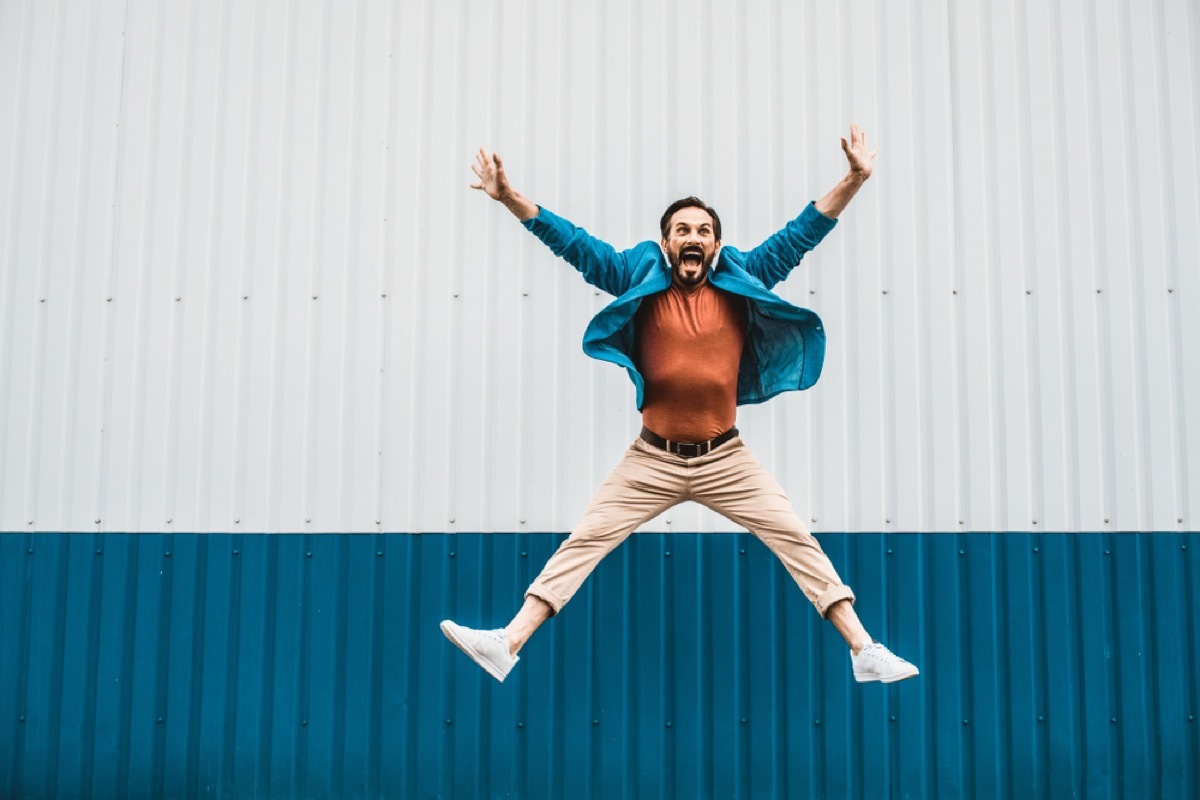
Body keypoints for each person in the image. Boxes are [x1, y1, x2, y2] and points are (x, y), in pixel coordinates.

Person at [441, 124, 918, 685]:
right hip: (651, 461)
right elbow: (574, 245)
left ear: (715, 246)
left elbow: (802, 233)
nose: (693, 237)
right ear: (666, 242)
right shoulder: (636, 275)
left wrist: (855, 179)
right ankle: (507, 642)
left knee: (796, 538)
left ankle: (863, 650)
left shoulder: (743, 277)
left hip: (726, 460)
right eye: (681, 230)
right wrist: (510, 198)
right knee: (585, 540)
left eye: (703, 231)